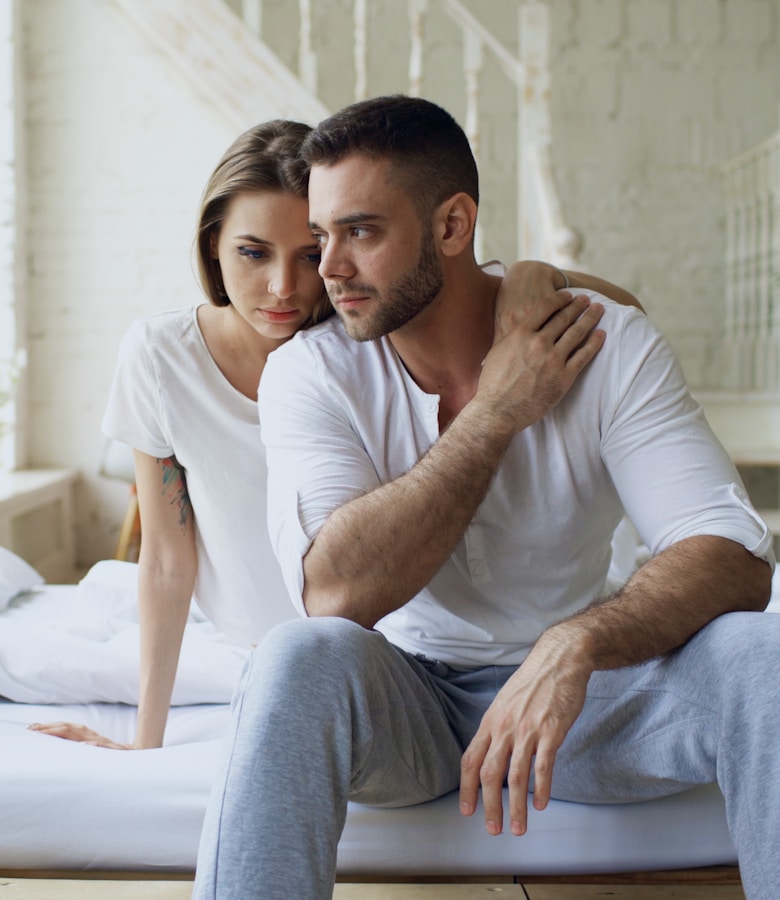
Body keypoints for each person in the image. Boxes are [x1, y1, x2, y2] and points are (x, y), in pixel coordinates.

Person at [192, 97, 780, 899]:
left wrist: (575, 646)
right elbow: (337, 593)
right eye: (324, 236)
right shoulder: (311, 372)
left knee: (776, 652)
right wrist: (496, 414)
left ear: (453, 226)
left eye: (361, 232)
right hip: (411, 704)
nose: (329, 269)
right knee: (296, 655)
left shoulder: (605, 345)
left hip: (591, 706)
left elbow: (732, 555)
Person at [31, 119, 640, 752]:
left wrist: (537, 274)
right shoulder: (161, 357)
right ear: (213, 244)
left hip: (383, 648)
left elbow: (624, 315)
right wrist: (146, 741)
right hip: (262, 645)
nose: (284, 288)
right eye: (252, 252)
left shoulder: (368, 338)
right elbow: (164, 558)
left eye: (308, 253)